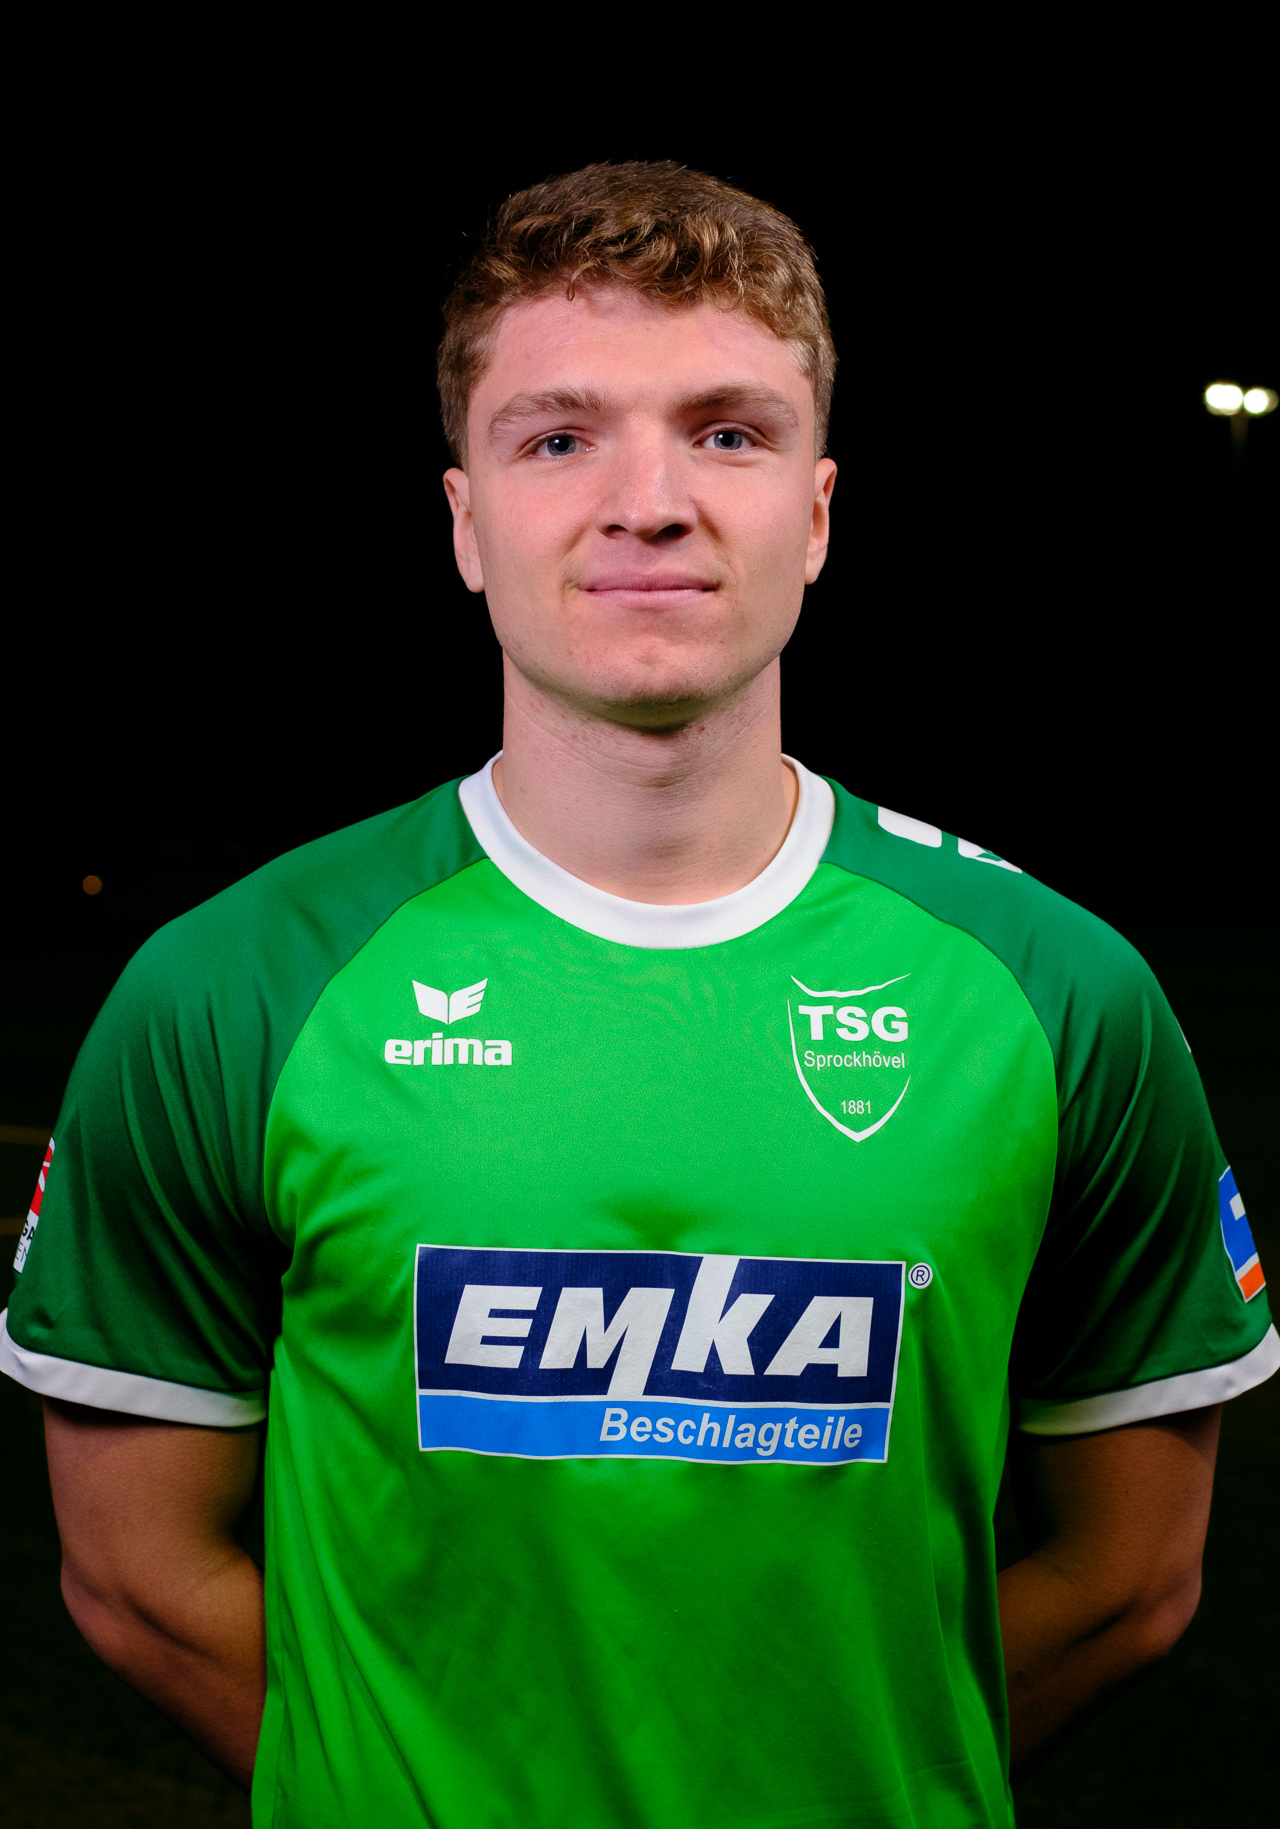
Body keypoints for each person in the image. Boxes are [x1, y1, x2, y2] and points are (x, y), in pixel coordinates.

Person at [3, 161, 1275, 1829]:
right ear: (466, 522)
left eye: (728, 433)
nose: (649, 502)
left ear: (816, 514)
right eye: (557, 439)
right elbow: (136, 1578)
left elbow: (1130, 1580)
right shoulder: (232, 989)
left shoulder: (1059, 991)